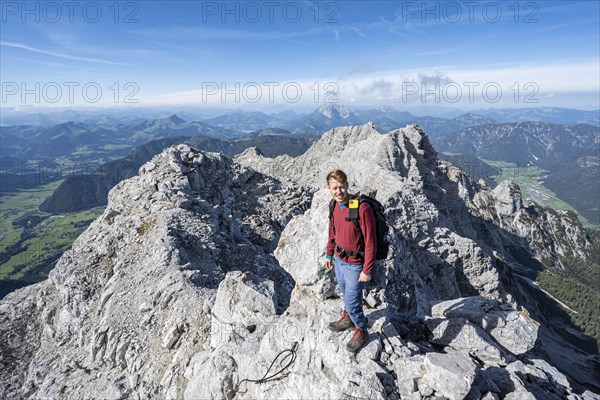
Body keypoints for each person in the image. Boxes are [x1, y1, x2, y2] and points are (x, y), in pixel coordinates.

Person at [324, 169, 376, 352]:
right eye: (334, 188)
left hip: (355, 265)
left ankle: (361, 328)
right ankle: (347, 317)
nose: (339, 192)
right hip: (339, 259)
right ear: (329, 188)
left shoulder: (361, 208)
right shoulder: (333, 205)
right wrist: (329, 254)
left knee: (353, 301)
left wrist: (367, 270)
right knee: (345, 292)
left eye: (342, 187)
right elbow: (333, 231)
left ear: (347, 185)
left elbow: (371, 241)